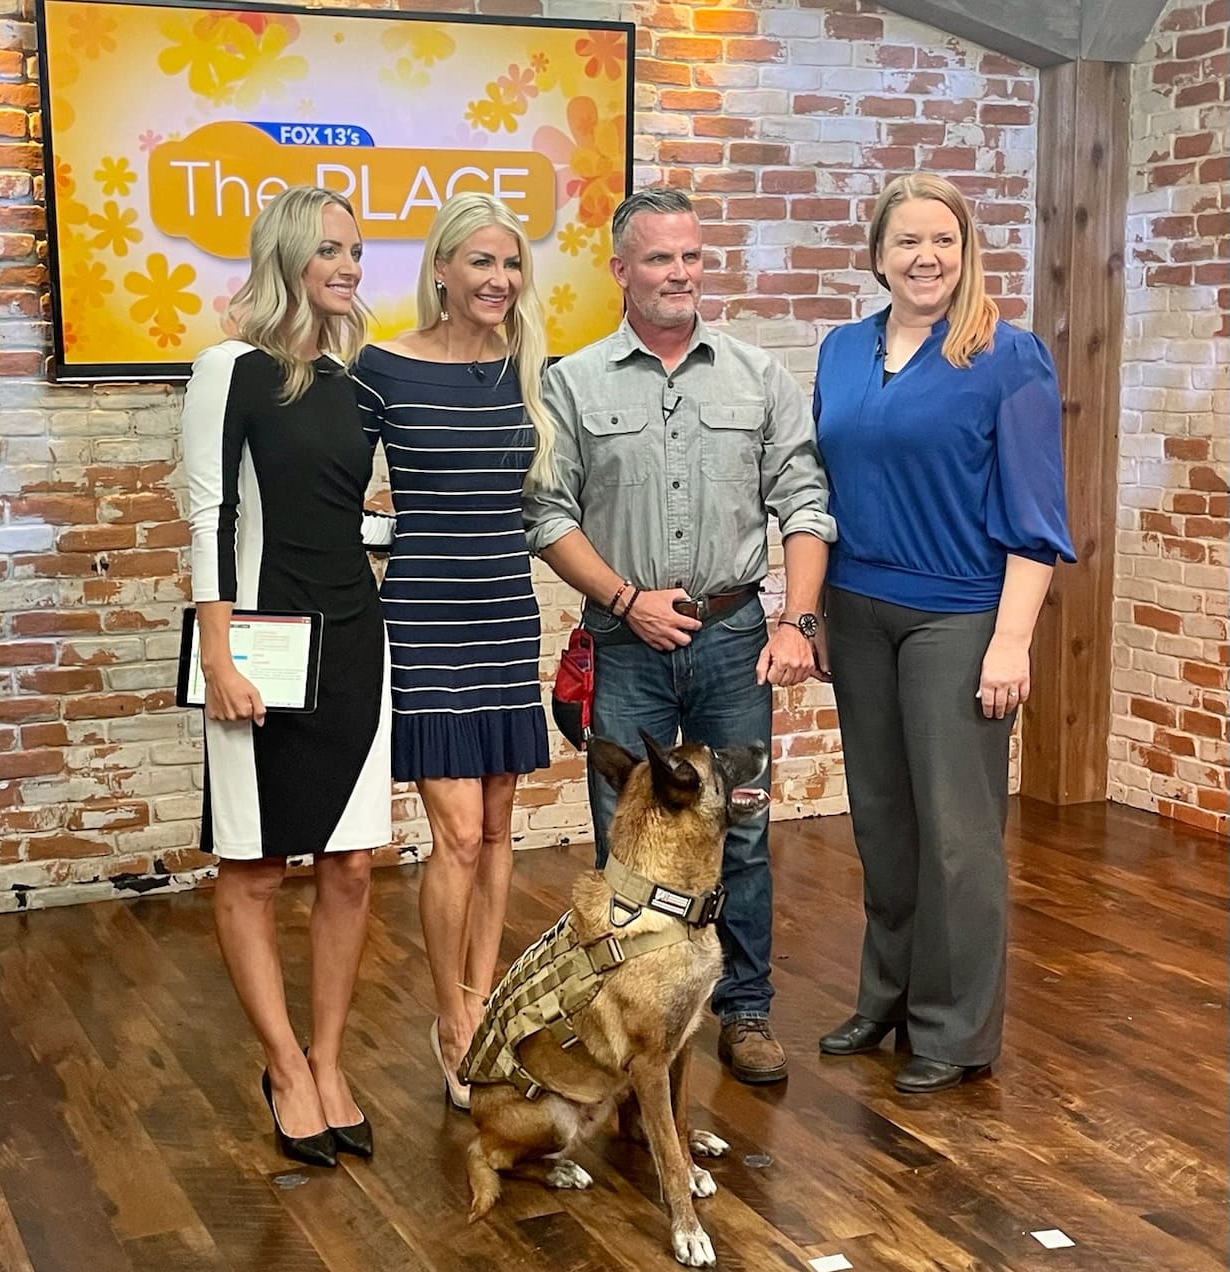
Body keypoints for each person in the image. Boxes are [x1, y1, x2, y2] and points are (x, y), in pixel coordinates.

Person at [523, 187, 836, 1085]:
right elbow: (546, 515)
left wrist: (797, 619)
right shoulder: (572, 383)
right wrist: (627, 601)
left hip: (734, 640)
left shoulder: (757, 377)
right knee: (627, 842)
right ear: (620, 270)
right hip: (623, 644)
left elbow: (805, 502)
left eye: (691, 256)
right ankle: (627, 1013)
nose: (680, 273)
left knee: (742, 829)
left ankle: (745, 1009)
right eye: (660, 258)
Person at [812, 174, 1075, 1093]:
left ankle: (955, 1030)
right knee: (883, 821)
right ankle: (886, 996)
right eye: (908, 242)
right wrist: (814, 610)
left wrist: (1012, 641)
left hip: (959, 617)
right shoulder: (842, 350)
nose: (927, 258)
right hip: (857, 610)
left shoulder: (1008, 356)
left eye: (944, 241)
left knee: (958, 835)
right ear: (877, 255)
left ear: (966, 252)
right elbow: (823, 491)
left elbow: (1037, 517)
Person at [181, 185, 390, 1165]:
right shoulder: (229, 369)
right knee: (256, 869)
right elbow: (210, 517)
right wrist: (216, 654)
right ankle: (283, 1067)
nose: (348, 266)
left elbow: (339, 510)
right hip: (260, 650)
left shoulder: (353, 384)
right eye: (328, 250)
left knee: (350, 865)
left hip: (355, 641)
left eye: (355, 250)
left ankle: (329, 1060)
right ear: (285, 259)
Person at [351, 193, 551, 1111]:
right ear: (441, 269)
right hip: (424, 615)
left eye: (509, 264)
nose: (497, 279)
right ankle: (452, 1022)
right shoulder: (382, 366)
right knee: (459, 834)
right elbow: (334, 483)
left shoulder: (532, 369)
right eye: (480, 261)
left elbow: (548, 499)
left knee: (501, 827)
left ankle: (486, 1004)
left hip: (506, 610)